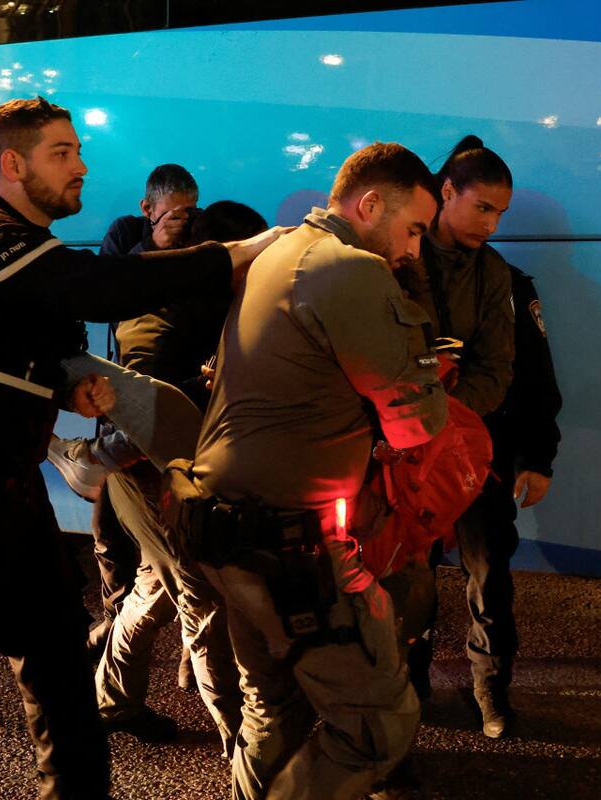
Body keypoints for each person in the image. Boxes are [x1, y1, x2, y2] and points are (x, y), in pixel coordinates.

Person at [0, 96, 280, 799]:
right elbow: (98, 288)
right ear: (12, 163)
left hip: (12, 499)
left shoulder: (26, 252)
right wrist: (235, 255)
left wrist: (65, 388)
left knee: (66, 693)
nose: (81, 166)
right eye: (62, 153)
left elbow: (4, 343)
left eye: (79, 151)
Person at [188, 142, 447, 799]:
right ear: (370, 205)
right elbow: (416, 422)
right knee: (377, 727)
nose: (414, 249)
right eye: (413, 229)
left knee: (274, 712)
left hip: (225, 528)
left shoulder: (280, 253)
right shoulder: (349, 268)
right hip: (290, 546)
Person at [93, 201, 268, 752]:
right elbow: (134, 408)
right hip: (147, 473)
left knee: (156, 591)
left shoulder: (221, 303)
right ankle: (242, 742)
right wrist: (201, 387)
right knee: (203, 602)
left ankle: (112, 700)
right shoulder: (160, 312)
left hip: (184, 469)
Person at [397, 135, 530, 739]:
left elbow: (498, 368)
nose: (492, 224)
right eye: (483, 208)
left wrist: (446, 421)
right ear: (446, 192)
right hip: (403, 449)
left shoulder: (495, 272)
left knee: (489, 569)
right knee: (409, 571)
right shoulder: (400, 256)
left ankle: (490, 688)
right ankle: (408, 683)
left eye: (500, 213)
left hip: (470, 449)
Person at [49, 163, 201, 685]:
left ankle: (129, 666)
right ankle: (109, 646)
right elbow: (108, 290)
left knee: (172, 567)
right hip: (123, 412)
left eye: (189, 211)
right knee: (114, 541)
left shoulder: (201, 243)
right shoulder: (125, 236)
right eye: (172, 212)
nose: (183, 221)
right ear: (147, 208)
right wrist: (155, 246)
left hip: (169, 418)